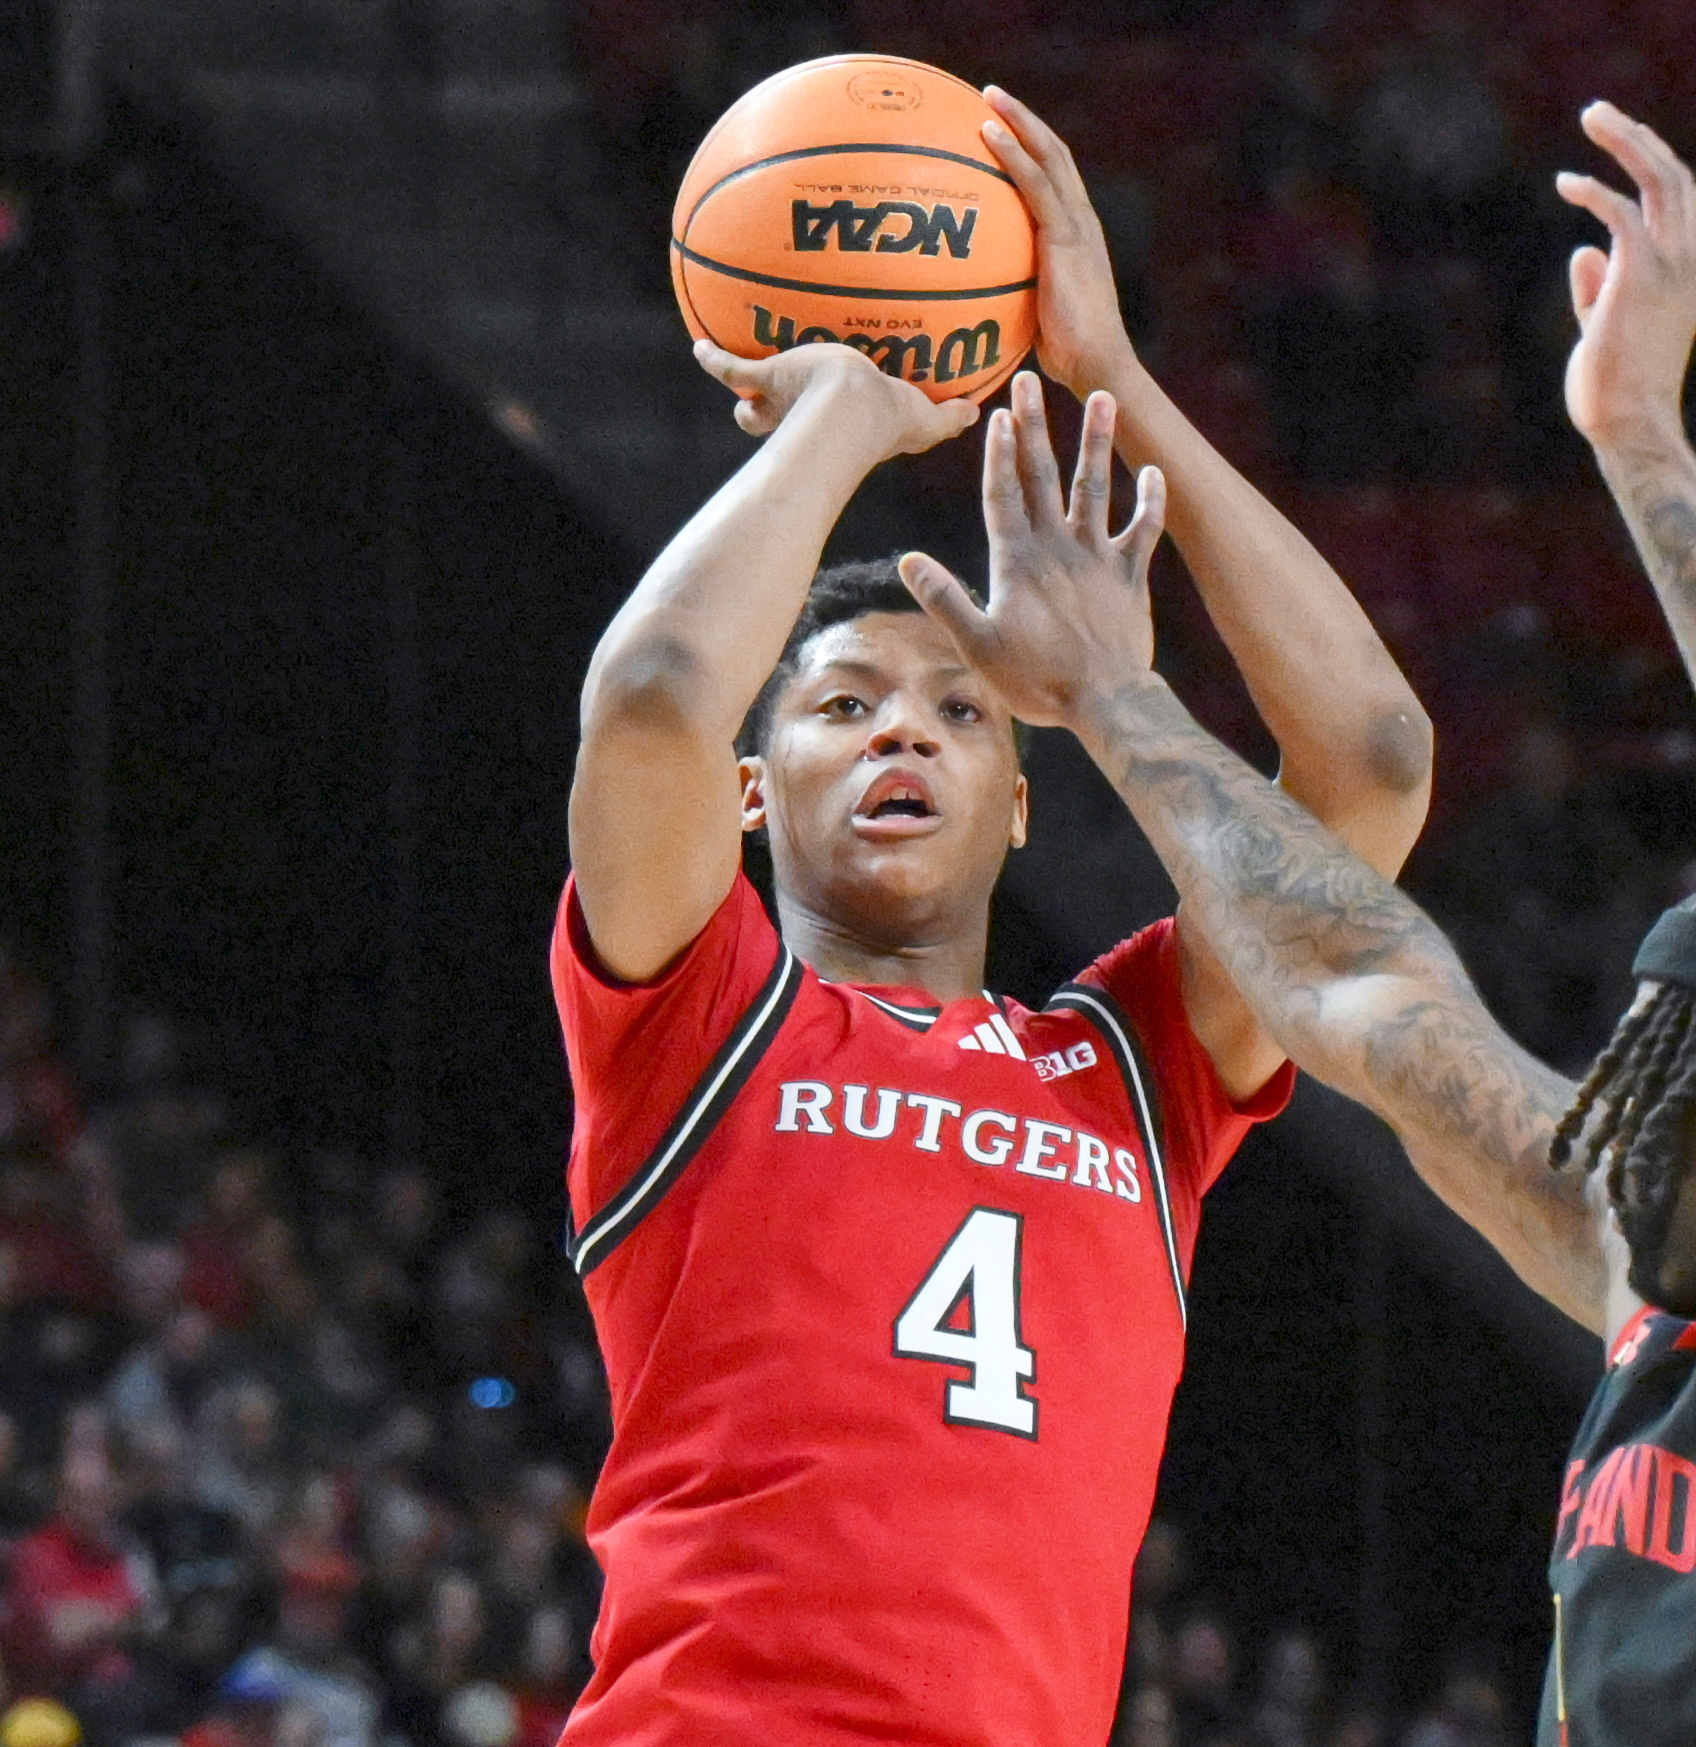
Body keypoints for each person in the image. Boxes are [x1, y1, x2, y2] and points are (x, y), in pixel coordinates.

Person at [903, 100, 1696, 1746]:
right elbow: (1359, 978)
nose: (1600, 1081)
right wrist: (1114, 688)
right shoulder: (1648, 1279)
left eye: (1645, 1052)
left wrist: (1642, 445)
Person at [550, 89, 1430, 1747]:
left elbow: (1374, 763)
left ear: (1023, 800)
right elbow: (661, 696)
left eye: (959, 714)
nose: (903, 731)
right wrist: (846, 412)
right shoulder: (698, 1015)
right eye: (843, 707)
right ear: (755, 798)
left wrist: (1116, 390)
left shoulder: (1134, 1065)